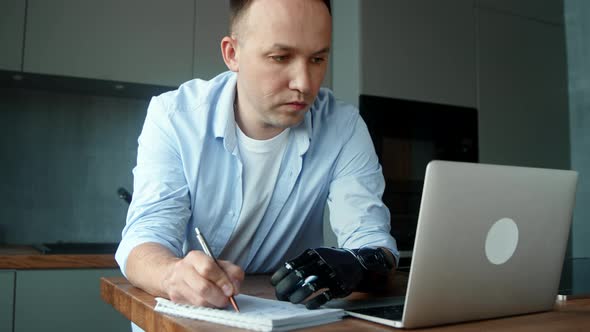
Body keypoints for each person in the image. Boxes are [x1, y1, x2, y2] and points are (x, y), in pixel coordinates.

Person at [116, 0, 399, 316]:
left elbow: (375, 246)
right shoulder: (174, 117)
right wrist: (173, 274)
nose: (305, 84)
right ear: (232, 54)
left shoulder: (343, 127)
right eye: (281, 57)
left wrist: (358, 263)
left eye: (317, 59)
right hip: (187, 319)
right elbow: (142, 242)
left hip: (287, 321)